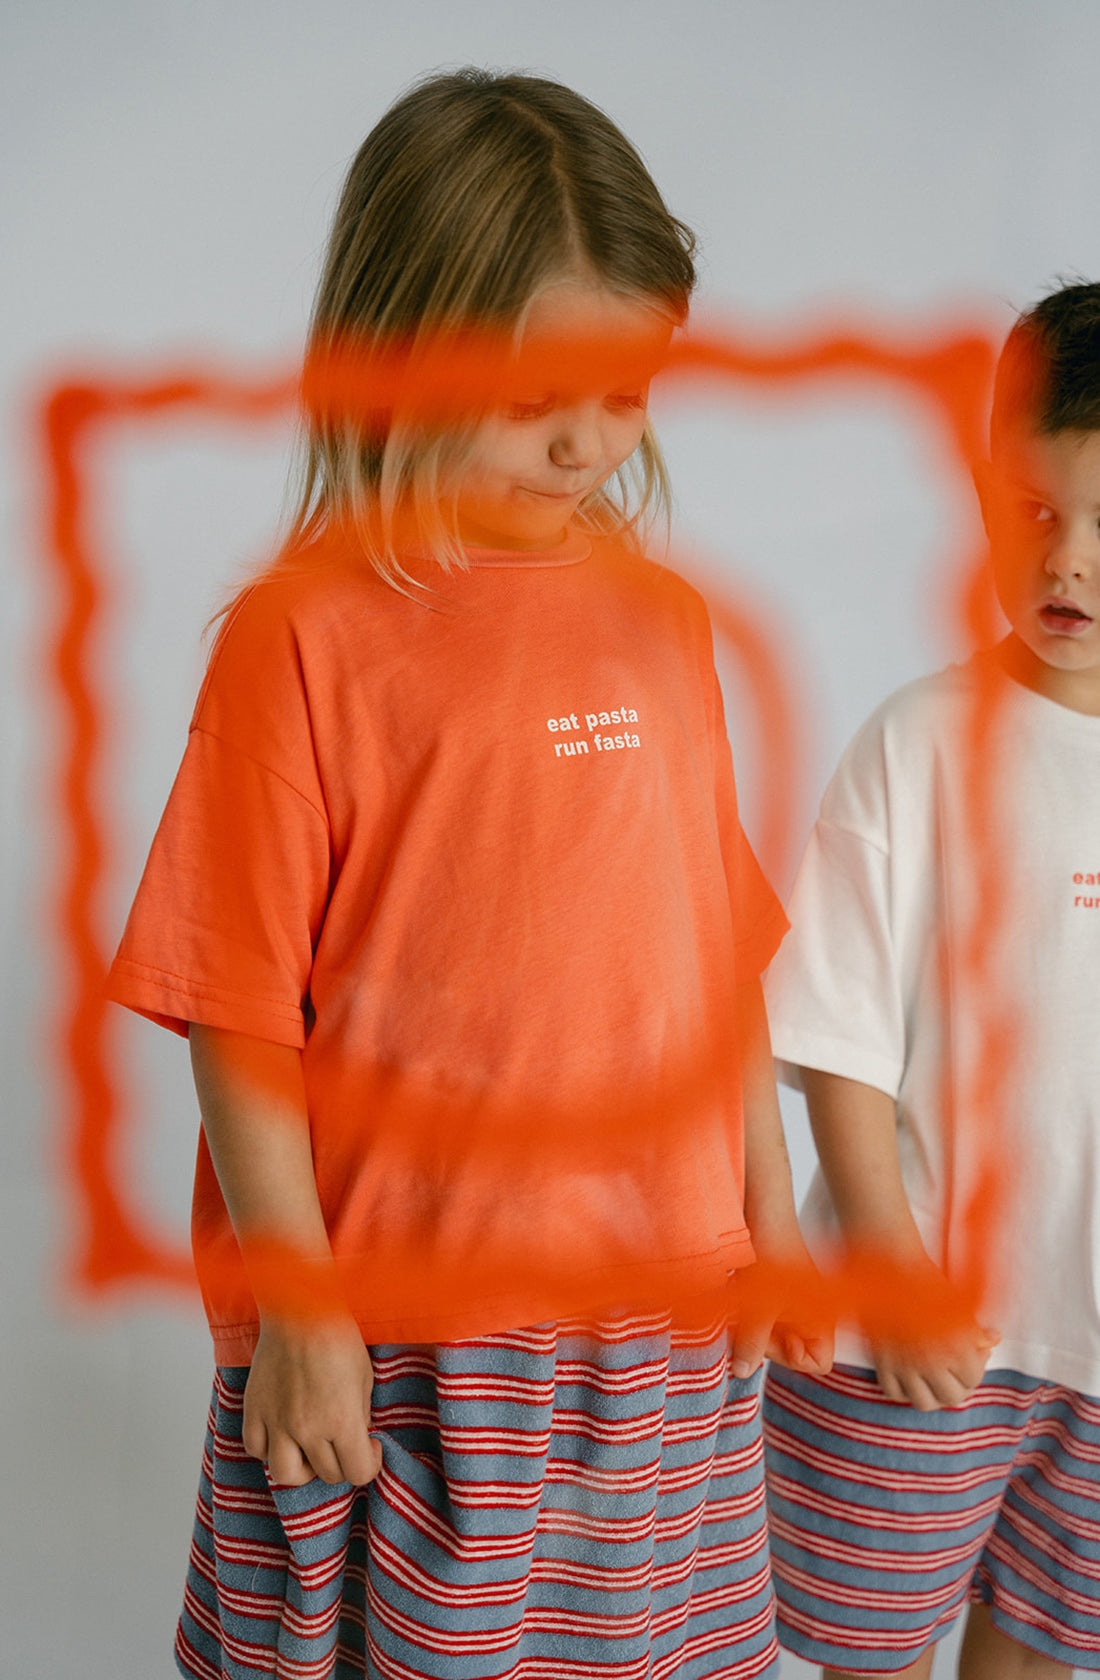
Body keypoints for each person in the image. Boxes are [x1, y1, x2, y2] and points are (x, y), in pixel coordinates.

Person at [107, 68, 828, 1680]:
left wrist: (772, 1219)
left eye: (629, 391)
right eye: (537, 393)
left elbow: (711, 955)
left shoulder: (668, 623)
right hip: (404, 1337)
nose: (586, 440)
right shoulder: (302, 637)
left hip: (662, 1327)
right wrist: (298, 1322)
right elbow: (236, 1009)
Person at [762, 279, 1100, 1680]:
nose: (1068, 561)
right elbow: (839, 1037)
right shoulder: (920, 744)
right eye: (1035, 512)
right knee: (876, 1659)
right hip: (920, 1340)